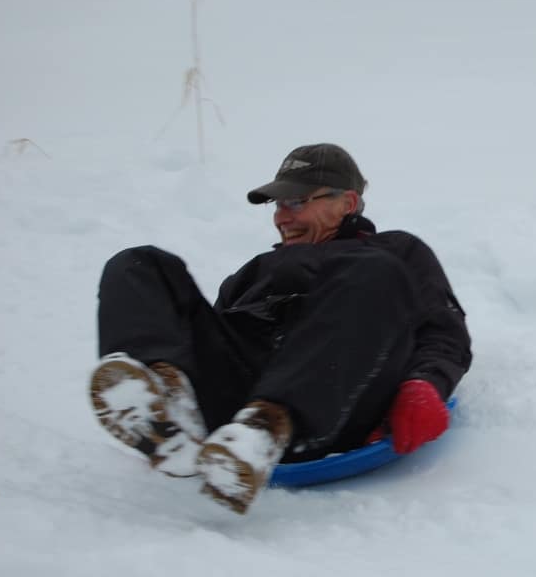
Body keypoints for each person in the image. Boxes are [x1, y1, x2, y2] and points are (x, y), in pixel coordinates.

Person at [89, 143, 472, 514]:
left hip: (337, 397)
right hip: (239, 401)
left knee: (375, 271)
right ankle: (171, 403)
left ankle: (268, 427)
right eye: (278, 204)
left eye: (296, 202)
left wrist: (425, 384)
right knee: (139, 263)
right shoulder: (252, 273)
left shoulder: (394, 252)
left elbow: (443, 330)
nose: (281, 217)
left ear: (348, 203)